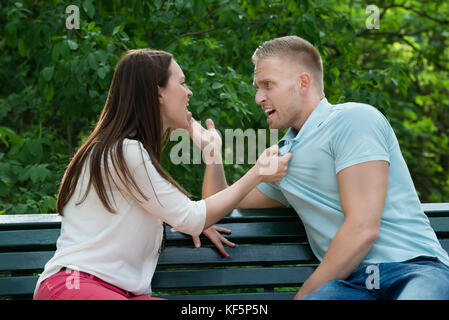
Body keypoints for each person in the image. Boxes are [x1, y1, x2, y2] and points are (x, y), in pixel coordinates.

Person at [200, 35, 449, 300]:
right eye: (257, 87)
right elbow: (217, 205)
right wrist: (213, 154)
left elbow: (363, 229)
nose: (258, 97)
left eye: (268, 85)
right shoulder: (281, 158)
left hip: (414, 269)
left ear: (302, 83)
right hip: (350, 285)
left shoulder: (353, 120)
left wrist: (301, 297)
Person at [33, 49, 292, 300]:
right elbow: (192, 217)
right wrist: (257, 173)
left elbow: (187, 215)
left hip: (118, 292)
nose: (189, 92)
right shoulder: (124, 151)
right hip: (74, 287)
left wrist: (212, 156)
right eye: (181, 83)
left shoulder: (127, 150)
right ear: (158, 93)